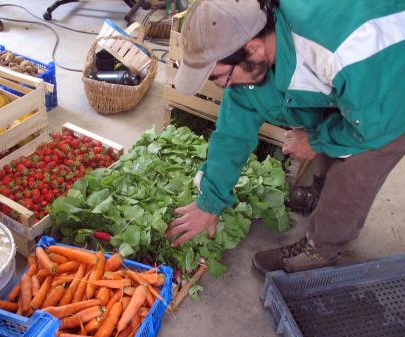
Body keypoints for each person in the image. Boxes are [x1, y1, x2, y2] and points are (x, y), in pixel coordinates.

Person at [166, 0, 405, 273]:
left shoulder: (338, 52)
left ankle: (323, 247)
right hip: (359, 81)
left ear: (253, 48)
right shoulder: (253, 49)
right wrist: (209, 202)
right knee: (329, 121)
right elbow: (232, 133)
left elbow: (370, 129)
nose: (223, 85)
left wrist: (316, 142)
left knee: (358, 162)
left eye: (222, 76)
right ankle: (319, 194)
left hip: (393, 90)